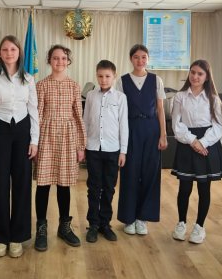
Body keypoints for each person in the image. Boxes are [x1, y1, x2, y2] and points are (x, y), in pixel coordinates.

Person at [0, 35, 39, 259]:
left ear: (19, 52)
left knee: (22, 183)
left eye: (13, 49)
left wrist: (34, 140)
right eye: (5, 50)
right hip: (0, 130)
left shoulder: (28, 79)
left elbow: (33, 110)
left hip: (23, 131)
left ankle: (17, 237)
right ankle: (0, 237)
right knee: (0, 183)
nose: (9, 53)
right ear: (0, 53)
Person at [34, 44, 86, 251]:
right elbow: (37, 115)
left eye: (63, 58)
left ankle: (64, 226)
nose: (60, 62)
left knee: (64, 184)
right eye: (55, 58)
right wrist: (34, 142)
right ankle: (41, 228)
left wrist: (81, 145)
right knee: (43, 184)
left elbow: (78, 116)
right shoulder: (41, 85)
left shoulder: (74, 86)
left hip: (67, 137)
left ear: (68, 61)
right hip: (46, 136)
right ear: (49, 61)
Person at [171, 59, 222, 244]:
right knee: (184, 187)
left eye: (200, 74)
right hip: (187, 142)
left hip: (207, 144)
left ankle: (199, 226)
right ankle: (181, 223)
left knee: (204, 188)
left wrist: (202, 143)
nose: (195, 76)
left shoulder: (213, 98)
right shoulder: (180, 97)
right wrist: (193, 141)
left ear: (207, 77)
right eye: (193, 72)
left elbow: (218, 126)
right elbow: (176, 124)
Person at [117, 44, 167, 235]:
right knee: (129, 173)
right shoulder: (122, 81)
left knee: (150, 173)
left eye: (143, 57)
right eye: (136, 57)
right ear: (131, 59)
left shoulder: (156, 80)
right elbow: (120, 111)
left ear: (148, 59)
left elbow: (160, 109)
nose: (140, 60)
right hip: (130, 129)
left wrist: (163, 135)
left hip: (151, 129)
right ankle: (129, 218)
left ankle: (142, 218)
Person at [83, 60, 128, 243]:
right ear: (96, 75)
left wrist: (123, 151)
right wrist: (83, 145)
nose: (103, 80)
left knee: (109, 188)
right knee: (94, 188)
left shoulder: (120, 98)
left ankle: (105, 224)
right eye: (100, 76)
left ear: (114, 76)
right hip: (93, 148)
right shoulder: (91, 96)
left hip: (112, 150)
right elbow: (85, 121)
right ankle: (93, 224)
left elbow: (123, 125)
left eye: (107, 76)